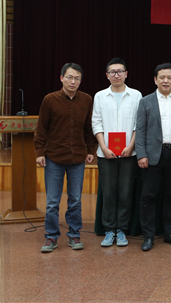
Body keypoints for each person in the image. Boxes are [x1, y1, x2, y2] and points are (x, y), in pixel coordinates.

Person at [35, 63, 98, 253]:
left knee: (75, 200)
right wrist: (39, 153)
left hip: (77, 158)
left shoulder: (86, 100)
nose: (73, 81)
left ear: (80, 81)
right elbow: (41, 128)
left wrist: (91, 150)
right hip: (53, 157)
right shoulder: (50, 99)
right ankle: (51, 236)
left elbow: (88, 128)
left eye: (77, 78)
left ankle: (74, 234)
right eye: (69, 77)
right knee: (52, 202)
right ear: (61, 78)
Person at [136, 63, 171, 251]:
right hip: (151, 156)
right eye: (162, 77)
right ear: (155, 80)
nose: (165, 81)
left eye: (169, 77)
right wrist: (141, 154)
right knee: (148, 197)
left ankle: (170, 233)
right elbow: (140, 130)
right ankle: (148, 236)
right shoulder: (145, 101)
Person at [92, 57, 142, 247]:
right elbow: (96, 123)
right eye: (112, 72)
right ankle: (108, 230)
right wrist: (104, 147)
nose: (116, 75)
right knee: (109, 192)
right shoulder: (100, 96)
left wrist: (131, 146)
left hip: (129, 153)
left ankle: (121, 230)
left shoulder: (136, 95)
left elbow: (139, 124)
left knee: (125, 192)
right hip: (105, 154)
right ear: (107, 75)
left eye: (120, 71)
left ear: (126, 74)